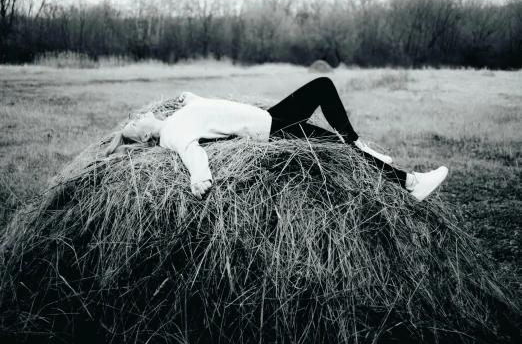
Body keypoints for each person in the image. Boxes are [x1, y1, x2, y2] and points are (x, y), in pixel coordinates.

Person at [104, 77, 448, 202]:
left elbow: (208, 111)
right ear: (147, 134)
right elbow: (192, 153)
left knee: (334, 144)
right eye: (135, 122)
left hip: (271, 120)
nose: (139, 115)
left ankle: (407, 181)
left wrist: (193, 97)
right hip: (273, 127)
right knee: (323, 87)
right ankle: (375, 157)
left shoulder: (177, 117)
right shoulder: (173, 134)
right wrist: (200, 178)